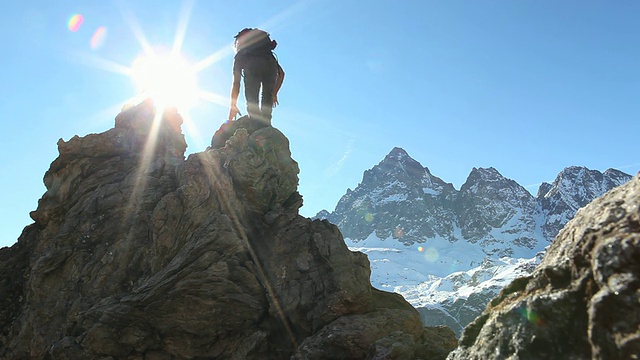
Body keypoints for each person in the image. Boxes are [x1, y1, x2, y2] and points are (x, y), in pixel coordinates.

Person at [228, 28, 285, 124]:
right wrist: (274, 94)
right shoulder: (267, 53)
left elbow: (236, 83)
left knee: (252, 98)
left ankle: (255, 123)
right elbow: (282, 74)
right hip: (270, 65)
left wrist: (233, 105)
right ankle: (266, 124)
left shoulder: (241, 55)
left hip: (252, 67)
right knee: (267, 96)